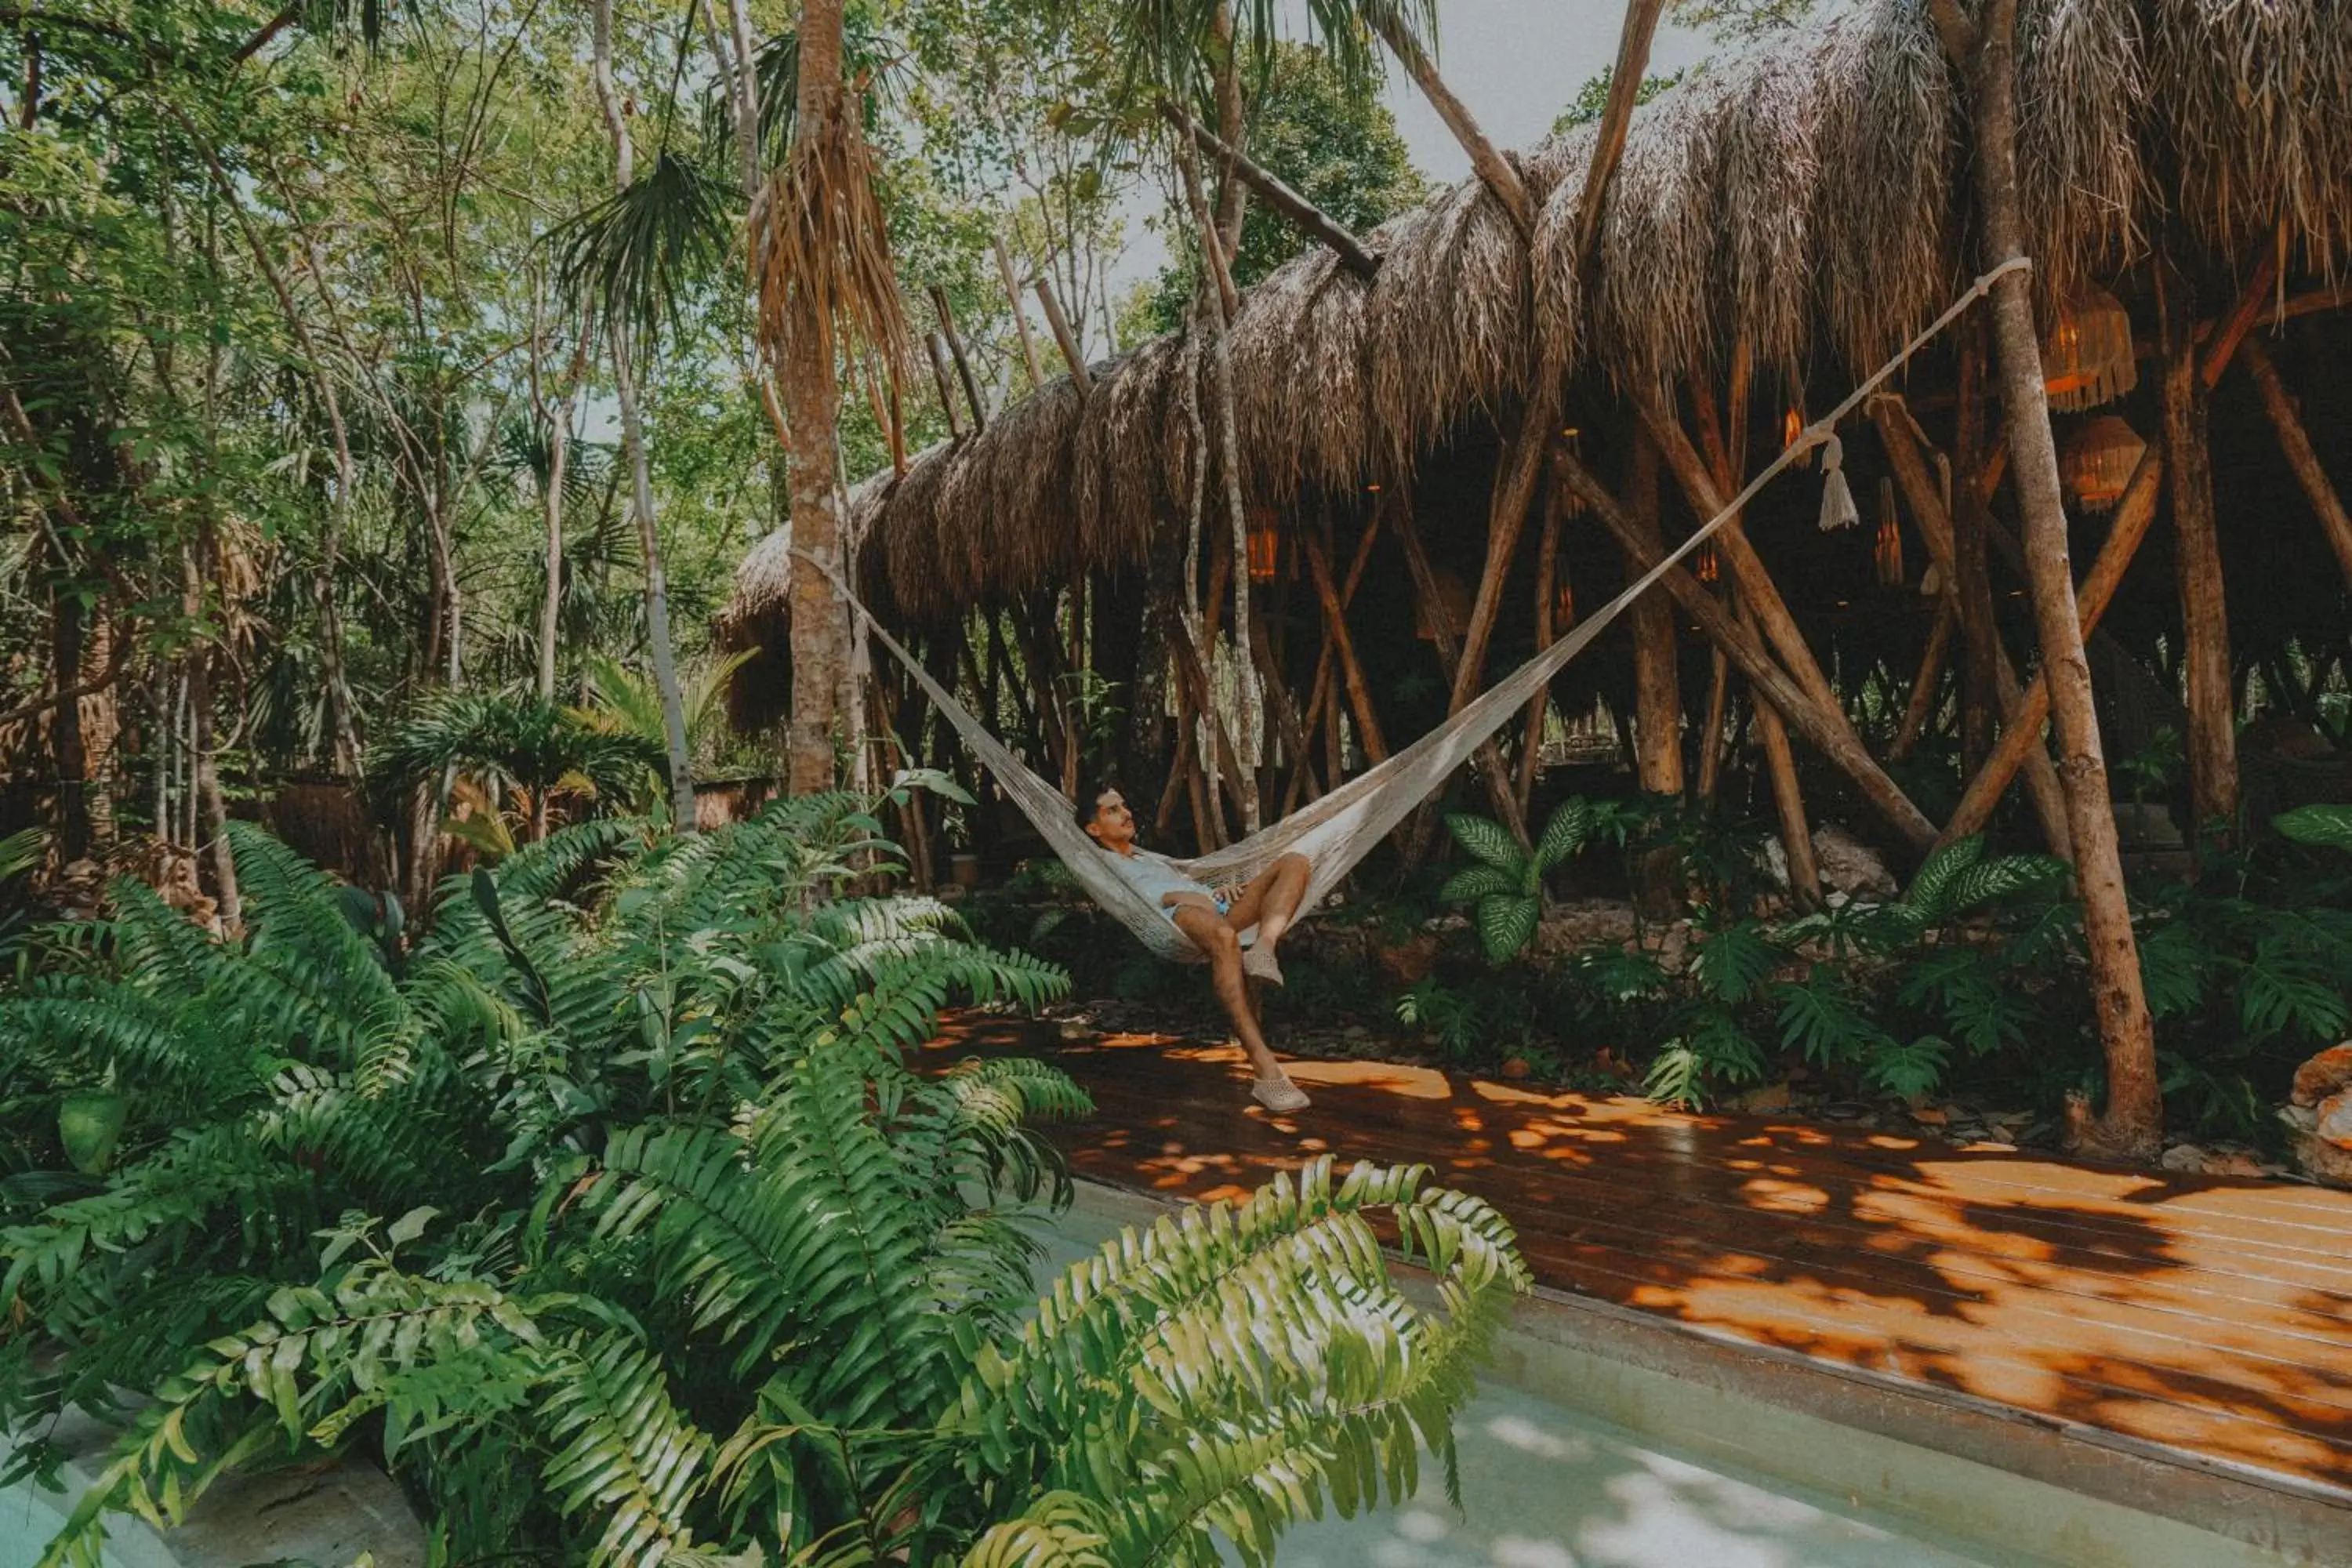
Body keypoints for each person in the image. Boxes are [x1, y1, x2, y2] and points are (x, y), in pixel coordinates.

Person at [1075, 785, 1313, 1113]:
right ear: (1093, 829)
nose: (1125, 813)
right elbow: (1152, 899)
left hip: (1212, 908)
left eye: (1124, 805)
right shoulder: (1101, 864)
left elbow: (1191, 888)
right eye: (1112, 810)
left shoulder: (1149, 858)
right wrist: (1183, 898)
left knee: (1295, 862)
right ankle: (1264, 1069)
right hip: (1174, 919)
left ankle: (1263, 947)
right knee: (1224, 937)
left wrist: (1219, 892)